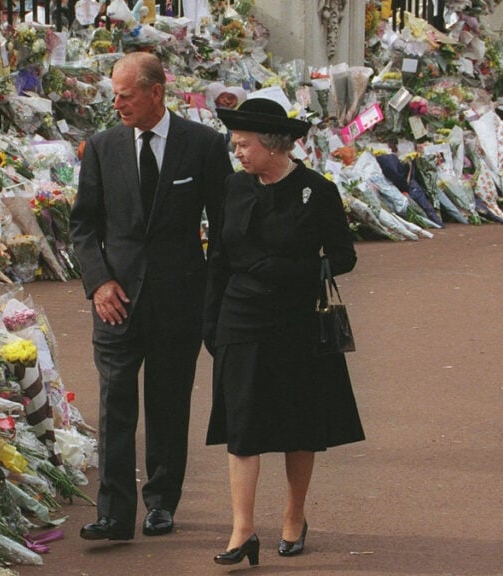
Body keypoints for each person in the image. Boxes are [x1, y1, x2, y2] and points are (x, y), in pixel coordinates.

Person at [70, 52, 232, 541]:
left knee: (168, 404)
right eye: (113, 94)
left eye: (126, 94)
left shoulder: (202, 145)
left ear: (156, 92)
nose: (116, 103)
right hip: (115, 302)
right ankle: (114, 513)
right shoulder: (101, 148)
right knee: (114, 404)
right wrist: (98, 283)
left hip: (179, 301)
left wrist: (214, 296)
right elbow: (83, 227)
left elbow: (224, 227)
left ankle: (161, 502)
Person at [203, 96, 365, 566]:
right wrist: (210, 323)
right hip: (240, 317)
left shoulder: (319, 190)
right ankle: (242, 531)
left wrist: (296, 268)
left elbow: (344, 256)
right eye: (235, 145)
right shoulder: (234, 189)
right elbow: (217, 259)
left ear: (273, 146)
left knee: (298, 425)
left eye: (244, 144)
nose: (238, 152)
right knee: (242, 427)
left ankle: (294, 515)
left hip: (296, 321)